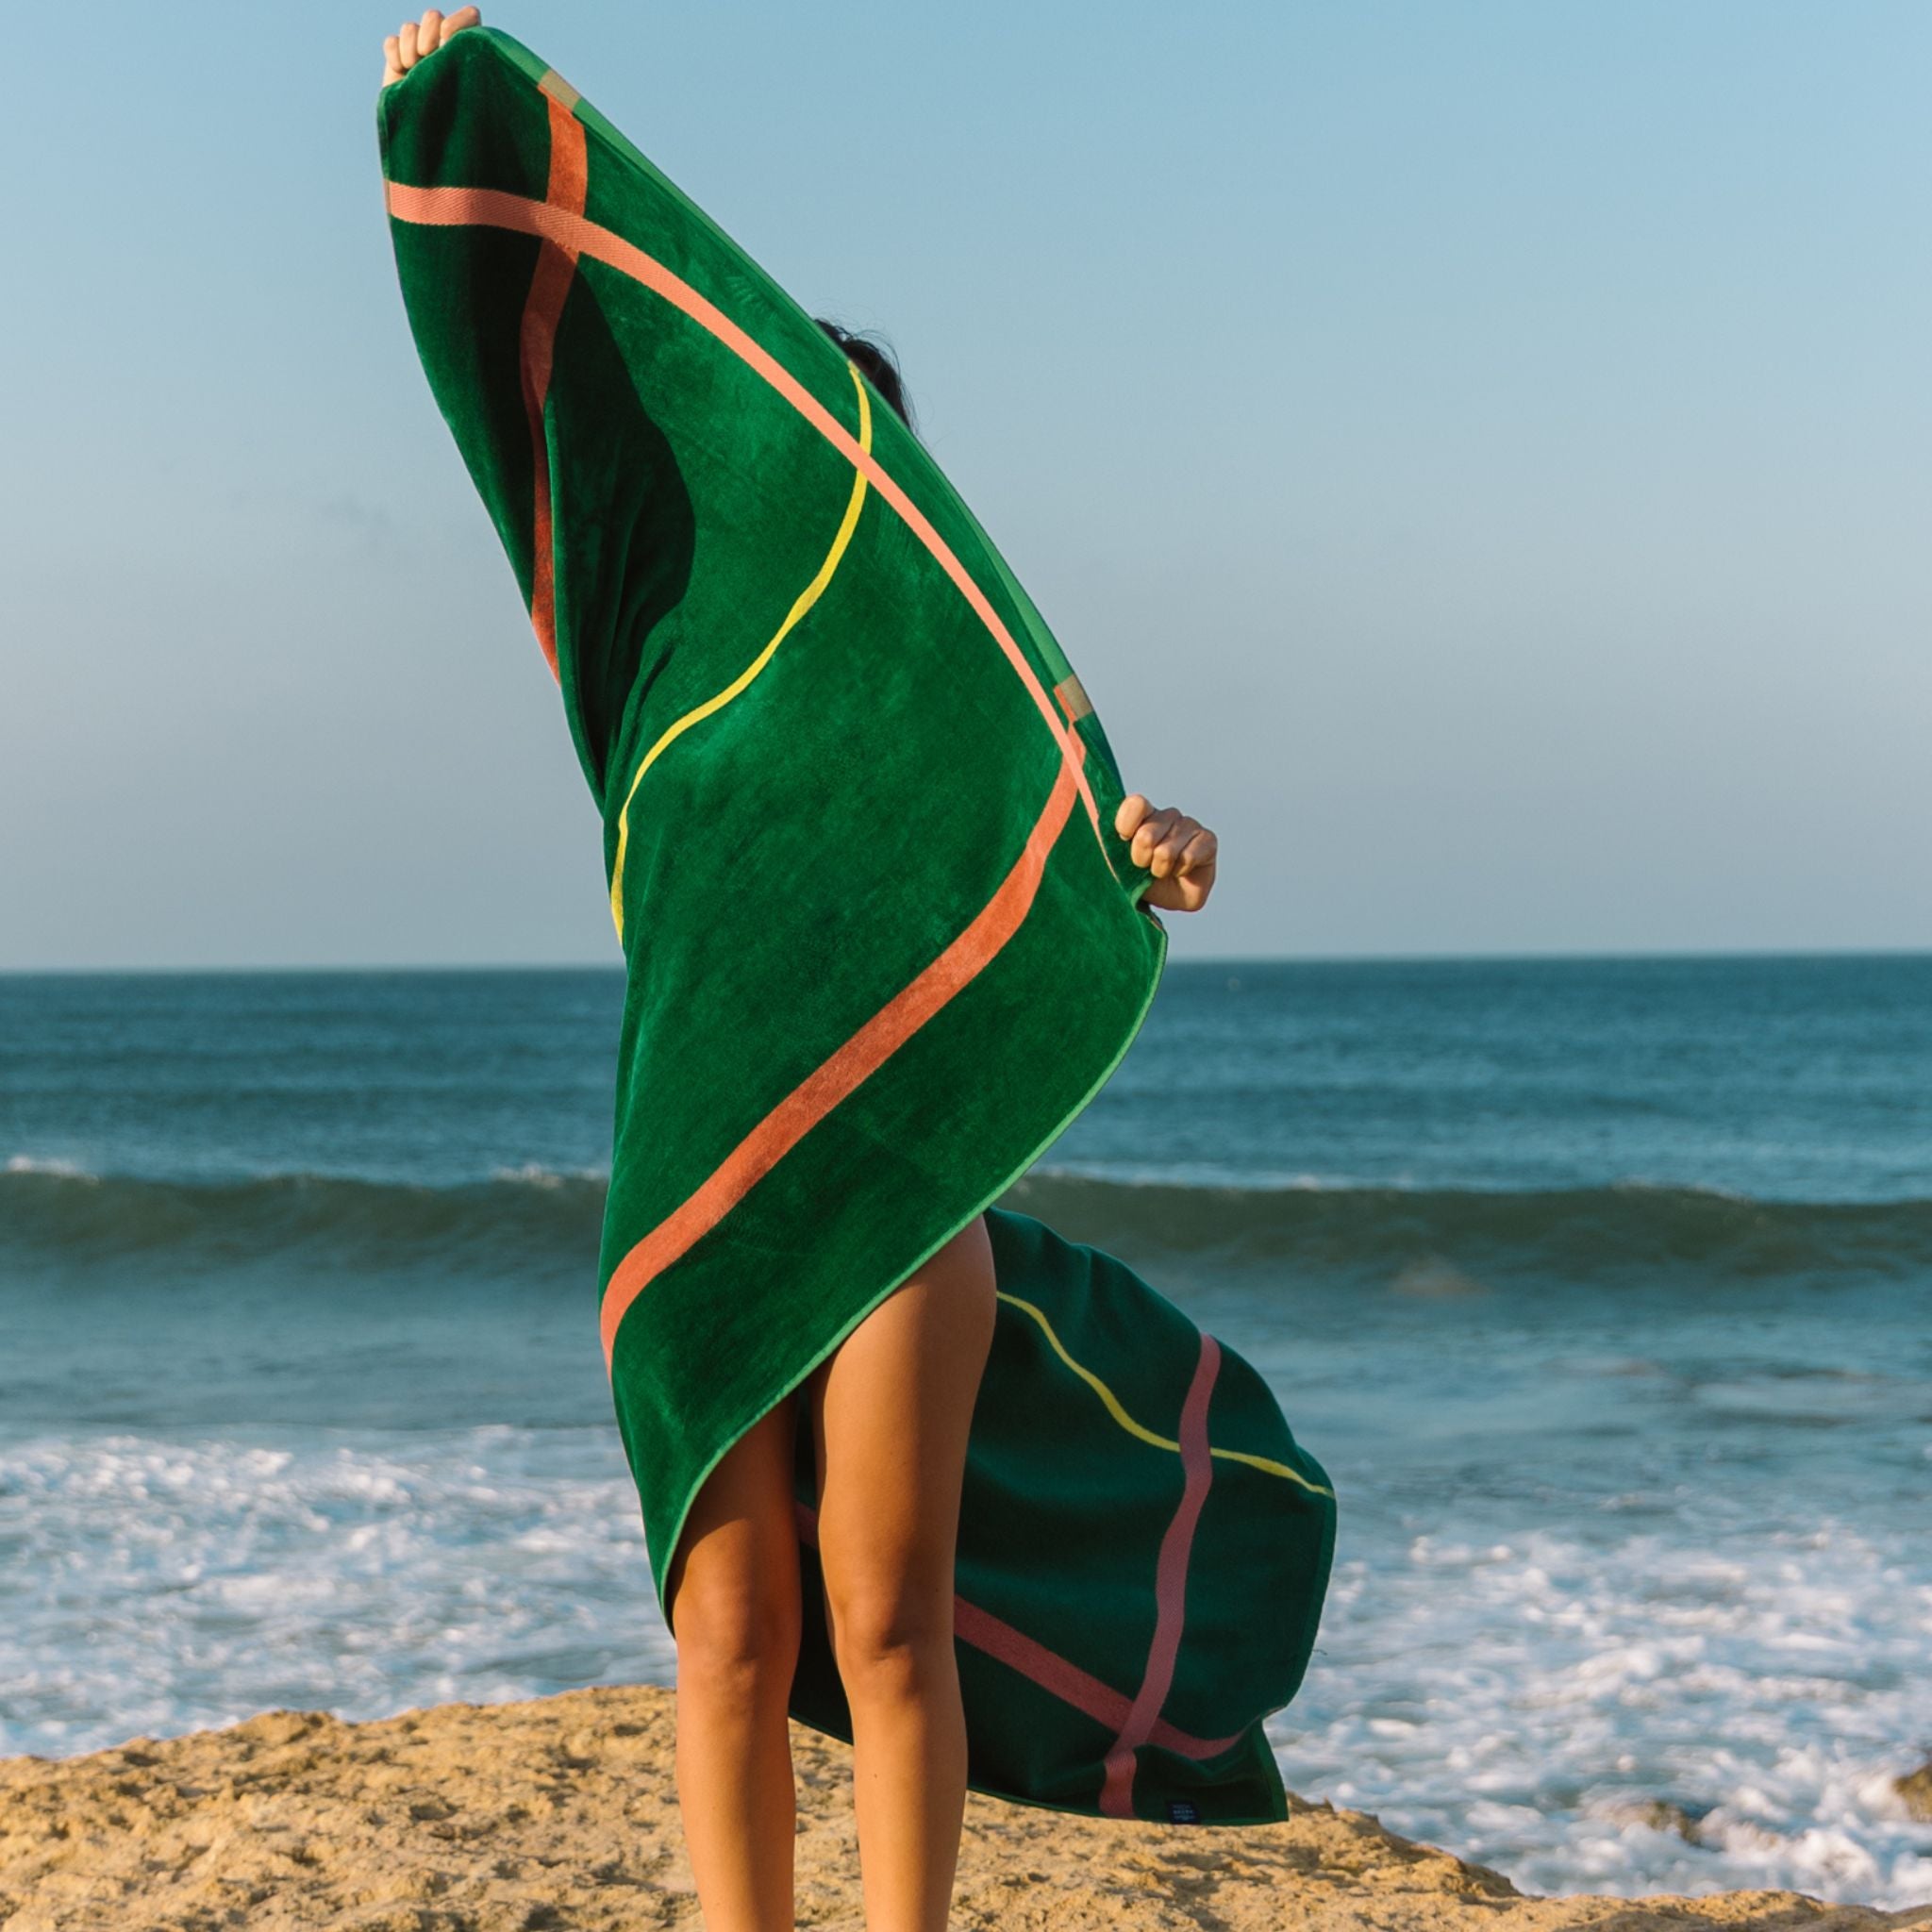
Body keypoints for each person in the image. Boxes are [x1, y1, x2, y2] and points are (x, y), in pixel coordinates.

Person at [384, 15, 1222, 1928]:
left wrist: (1167, 845)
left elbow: (1086, 835)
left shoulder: (954, 707)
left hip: (903, 1193)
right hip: (703, 1179)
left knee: (885, 1622)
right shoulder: (650, 662)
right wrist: (448, 123)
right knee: (733, 1634)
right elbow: (530, 415)